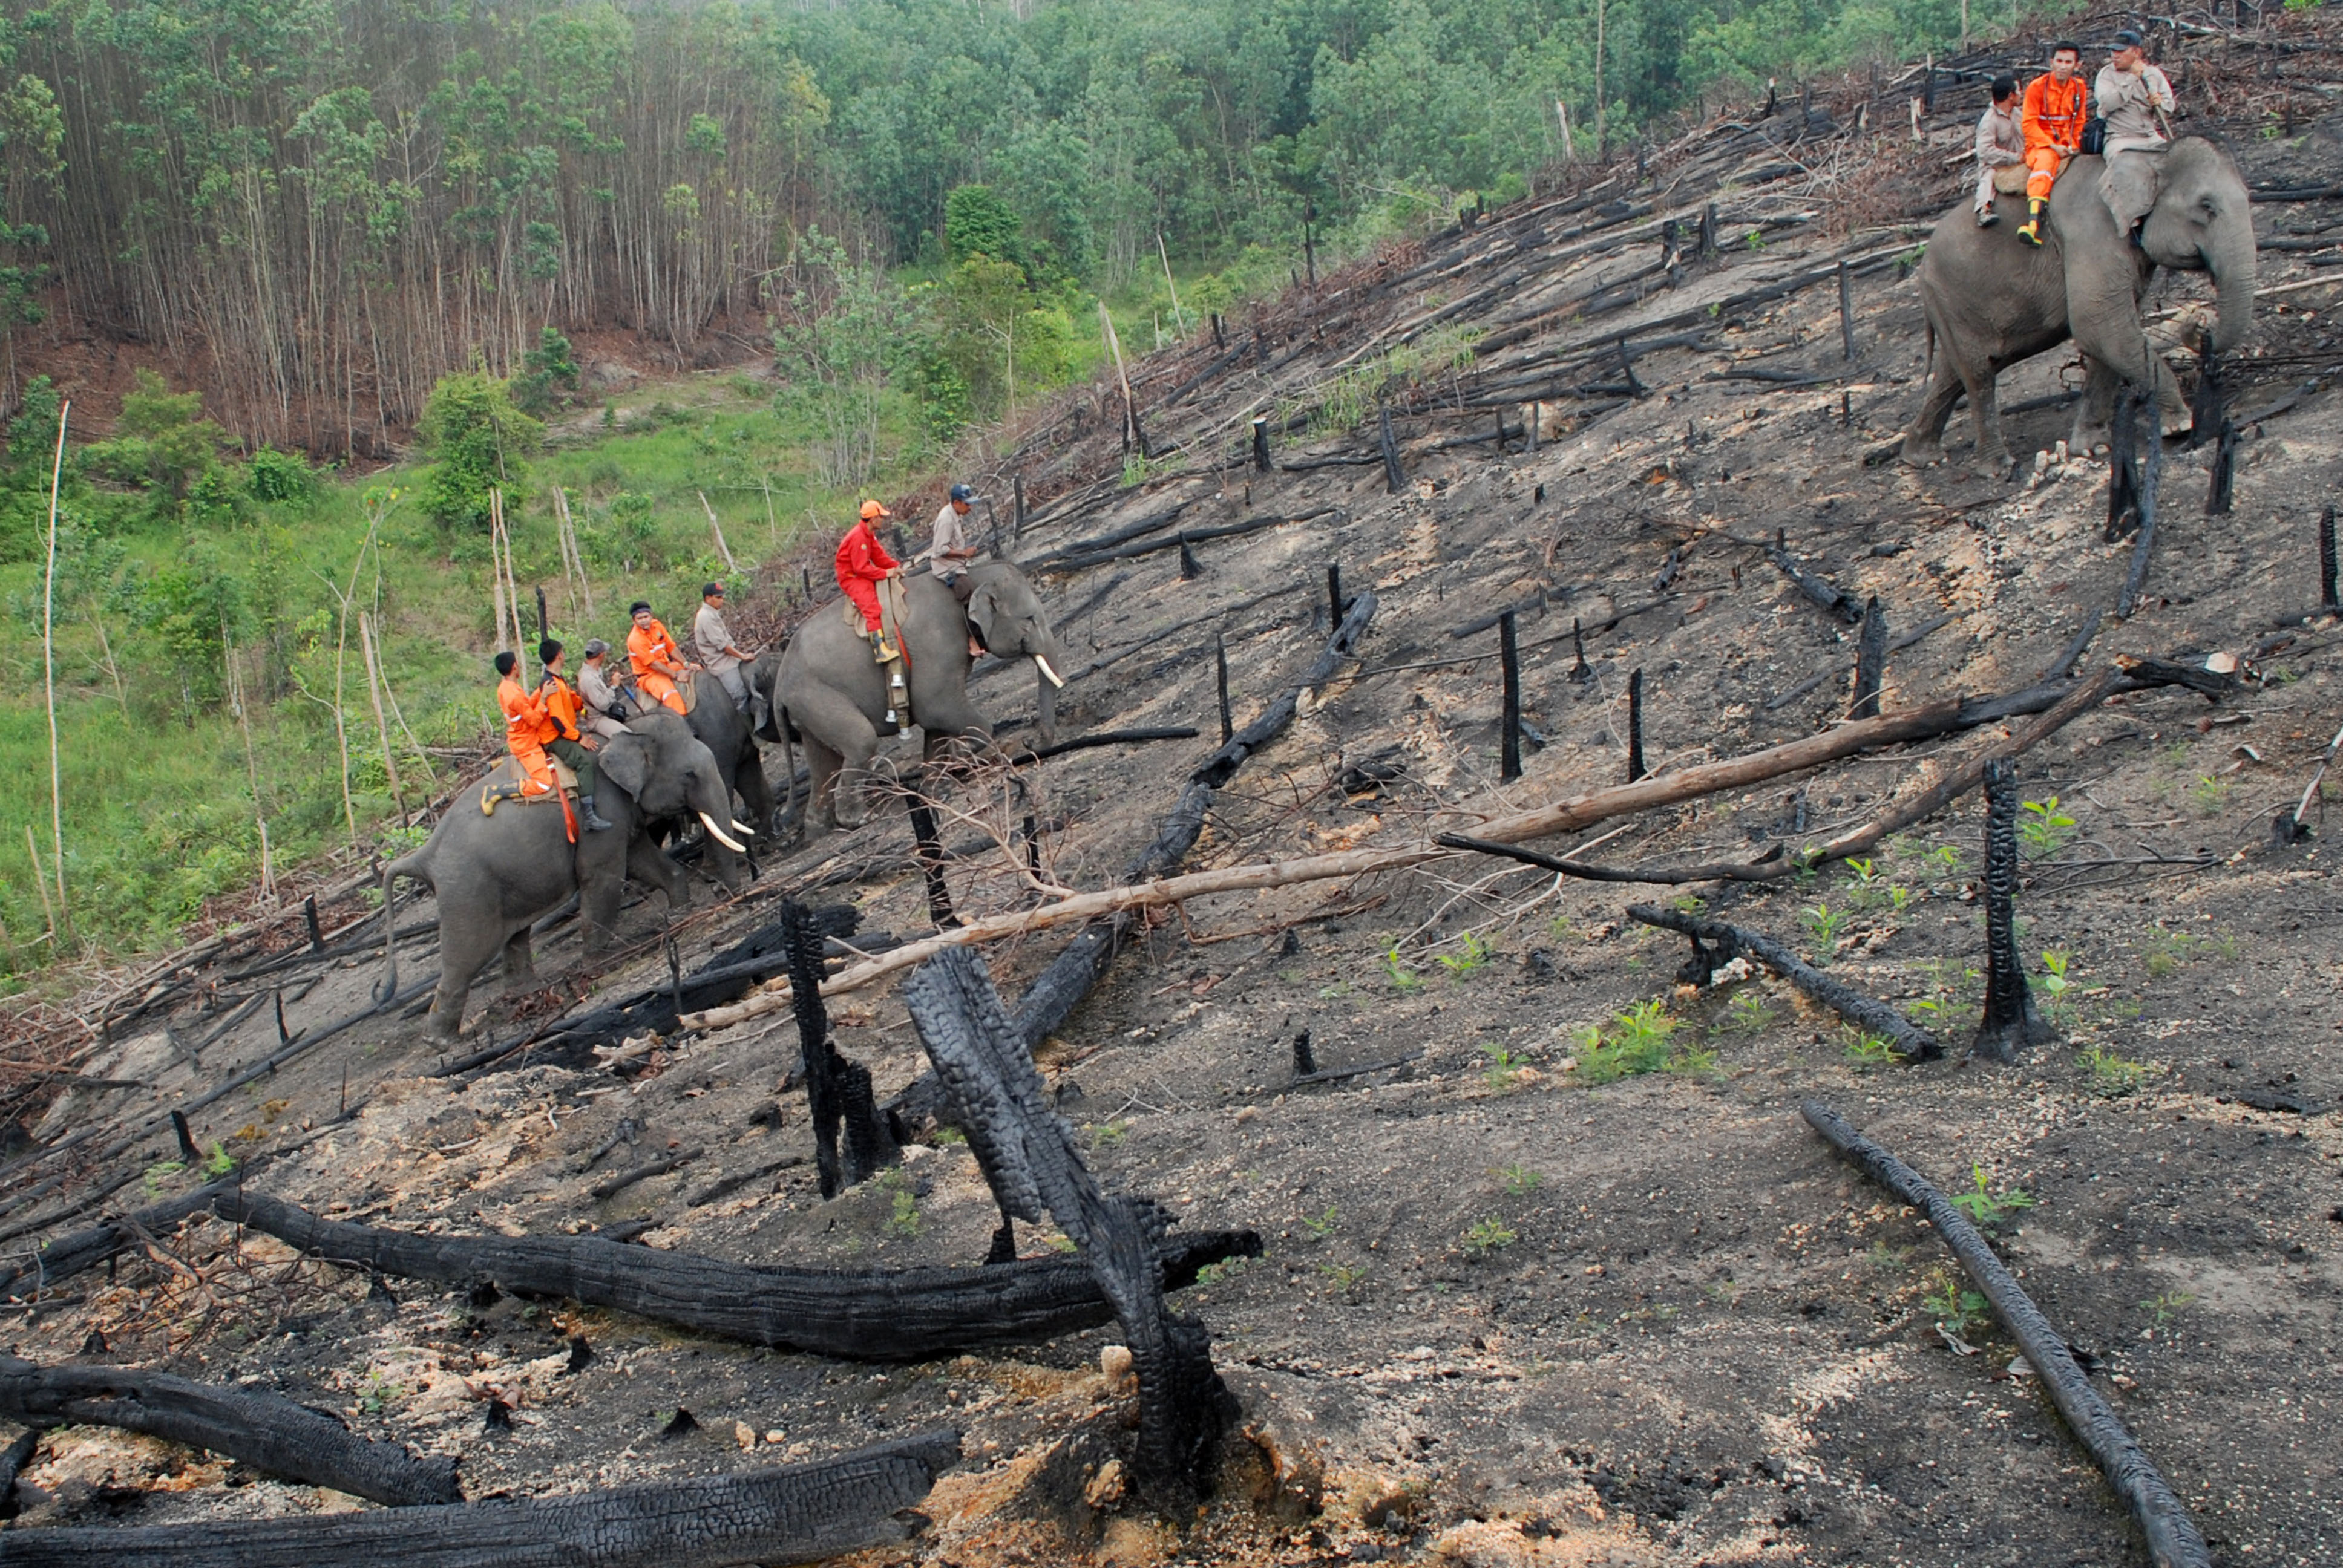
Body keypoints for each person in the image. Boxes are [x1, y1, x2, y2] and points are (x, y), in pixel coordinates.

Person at [2095, 28, 2178, 237]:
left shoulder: (2154, 74)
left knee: (2175, 162)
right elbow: (2108, 103)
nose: (2115, 56)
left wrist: (2161, 102)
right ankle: (2132, 222)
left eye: (2121, 51)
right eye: (2113, 51)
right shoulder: (2106, 75)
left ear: (2137, 52)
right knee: (2122, 166)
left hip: (2150, 135)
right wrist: (2132, 79)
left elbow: (2170, 105)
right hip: (2120, 137)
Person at [536, 640, 612, 832]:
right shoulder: (551, 684)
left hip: (565, 730)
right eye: (562, 651)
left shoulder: (558, 679)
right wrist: (579, 739)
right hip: (554, 737)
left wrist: (583, 706)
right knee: (584, 762)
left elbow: (572, 699)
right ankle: (589, 815)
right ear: (559, 655)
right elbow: (557, 720)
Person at [2017, 42, 2088, 247]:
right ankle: (2033, 223)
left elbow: (2080, 120)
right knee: (2045, 166)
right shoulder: (2036, 88)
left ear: (2078, 65)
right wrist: (2052, 146)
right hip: (2041, 145)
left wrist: (2074, 144)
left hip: (2067, 144)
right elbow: (2029, 124)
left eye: (2068, 62)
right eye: (2059, 61)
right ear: (2051, 62)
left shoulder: (2079, 88)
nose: (2063, 66)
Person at [835, 499, 903, 659]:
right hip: (851, 577)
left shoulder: (869, 535)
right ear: (873, 519)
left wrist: (895, 566)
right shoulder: (858, 537)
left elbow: (879, 556)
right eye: (881, 517)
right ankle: (879, 649)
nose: (883, 520)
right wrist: (885, 574)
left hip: (859, 573)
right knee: (872, 607)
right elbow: (861, 568)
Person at [926, 483, 986, 659]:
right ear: (957, 503)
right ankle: (971, 639)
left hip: (957, 563)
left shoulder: (956, 515)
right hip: (946, 568)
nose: (970, 507)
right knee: (968, 592)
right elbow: (940, 550)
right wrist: (963, 553)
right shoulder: (946, 520)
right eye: (967, 504)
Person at [494, 650, 557, 799]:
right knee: (544, 783)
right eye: (517, 662)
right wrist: (543, 698)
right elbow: (534, 721)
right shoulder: (515, 695)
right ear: (514, 666)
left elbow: (525, 707)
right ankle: (502, 790)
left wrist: (540, 690)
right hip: (526, 742)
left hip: (518, 735)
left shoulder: (505, 687)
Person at [692, 581, 755, 714]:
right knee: (740, 696)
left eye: (722, 597)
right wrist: (742, 656)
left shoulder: (712, 613)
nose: (722, 600)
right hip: (721, 663)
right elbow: (722, 646)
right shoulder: (705, 617)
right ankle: (753, 731)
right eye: (719, 597)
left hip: (730, 658)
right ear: (709, 599)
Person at [1973, 76, 2024, 228]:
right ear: (2011, 95)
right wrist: (2014, 158)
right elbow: (1984, 152)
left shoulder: (2017, 113)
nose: (2022, 94)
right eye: (2019, 91)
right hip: (1997, 164)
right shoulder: (1989, 121)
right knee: (1989, 178)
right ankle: (1983, 210)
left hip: (2022, 158)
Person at [626, 599, 693, 716]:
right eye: (639, 619)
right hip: (650, 675)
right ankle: (685, 723)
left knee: (696, 669)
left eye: (646, 616)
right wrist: (676, 675)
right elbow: (653, 664)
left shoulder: (657, 626)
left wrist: (686, 664)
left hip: (666, 666)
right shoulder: (635, 639)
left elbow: (671, 647)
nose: (644, 621)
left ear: (651, 615)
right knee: (671, 695)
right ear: (634, 621)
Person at [575, 638, 632, 741]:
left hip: (607, 711)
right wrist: (614, 686)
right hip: (598, 718)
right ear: (601, 655)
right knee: (627, 737)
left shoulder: (596, 670)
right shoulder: (588, 679)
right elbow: (602, 705)